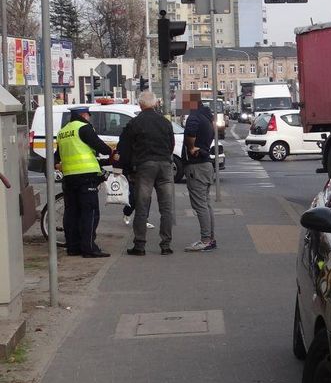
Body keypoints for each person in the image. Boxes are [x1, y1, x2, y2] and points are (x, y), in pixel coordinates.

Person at [54, 106, 114, 258]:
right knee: (90, 213)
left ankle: (73, 247)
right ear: (83, 115)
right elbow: (101, 147)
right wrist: (111, 152)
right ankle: (89, 248)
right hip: (86, 177)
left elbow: (56, 157)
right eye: (88, 115)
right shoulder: (84, 128)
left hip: (69, 178)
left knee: (71, 213)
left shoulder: (63, 132)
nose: (89, 118)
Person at [119, 91, 175, 256]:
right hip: (165, 165)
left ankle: (140, 245)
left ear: (140, 105)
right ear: (156, 103)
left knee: (142, 206)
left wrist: (127, 170)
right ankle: (166, 245)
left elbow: (125, 148)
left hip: (144, 167)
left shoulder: (135, 123)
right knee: (166, 208)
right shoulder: (165, 123)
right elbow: (171, 145)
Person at [182, 92, 217, 252]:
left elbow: (190, 133)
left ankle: (205, 240)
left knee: (200, 205)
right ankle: (210, 238)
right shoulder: (207, 117)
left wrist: (190, 148)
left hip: (196, 166)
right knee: (206, 204)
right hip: (206, 165)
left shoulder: (194, 117)